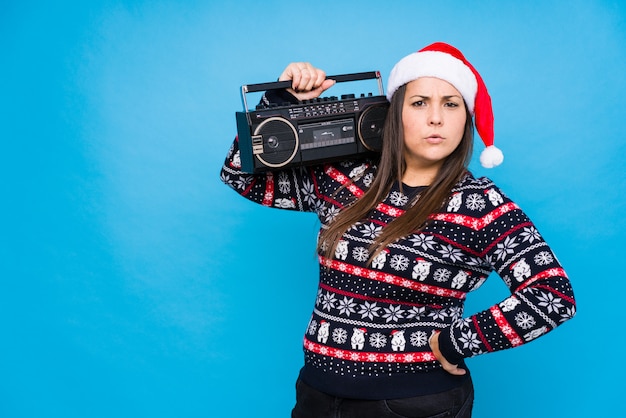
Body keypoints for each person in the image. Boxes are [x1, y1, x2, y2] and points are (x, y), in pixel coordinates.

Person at [220, 42, 576, 418]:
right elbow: (239, 176)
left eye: (451, 104)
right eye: (419, 102)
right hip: (316, 394)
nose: (435, 118)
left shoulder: (480, 205)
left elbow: (552, 295)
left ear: (466, 118)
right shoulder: (347, 176)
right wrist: (279, 102)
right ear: (394, 114)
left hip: (413, 404)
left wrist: (457, 342)